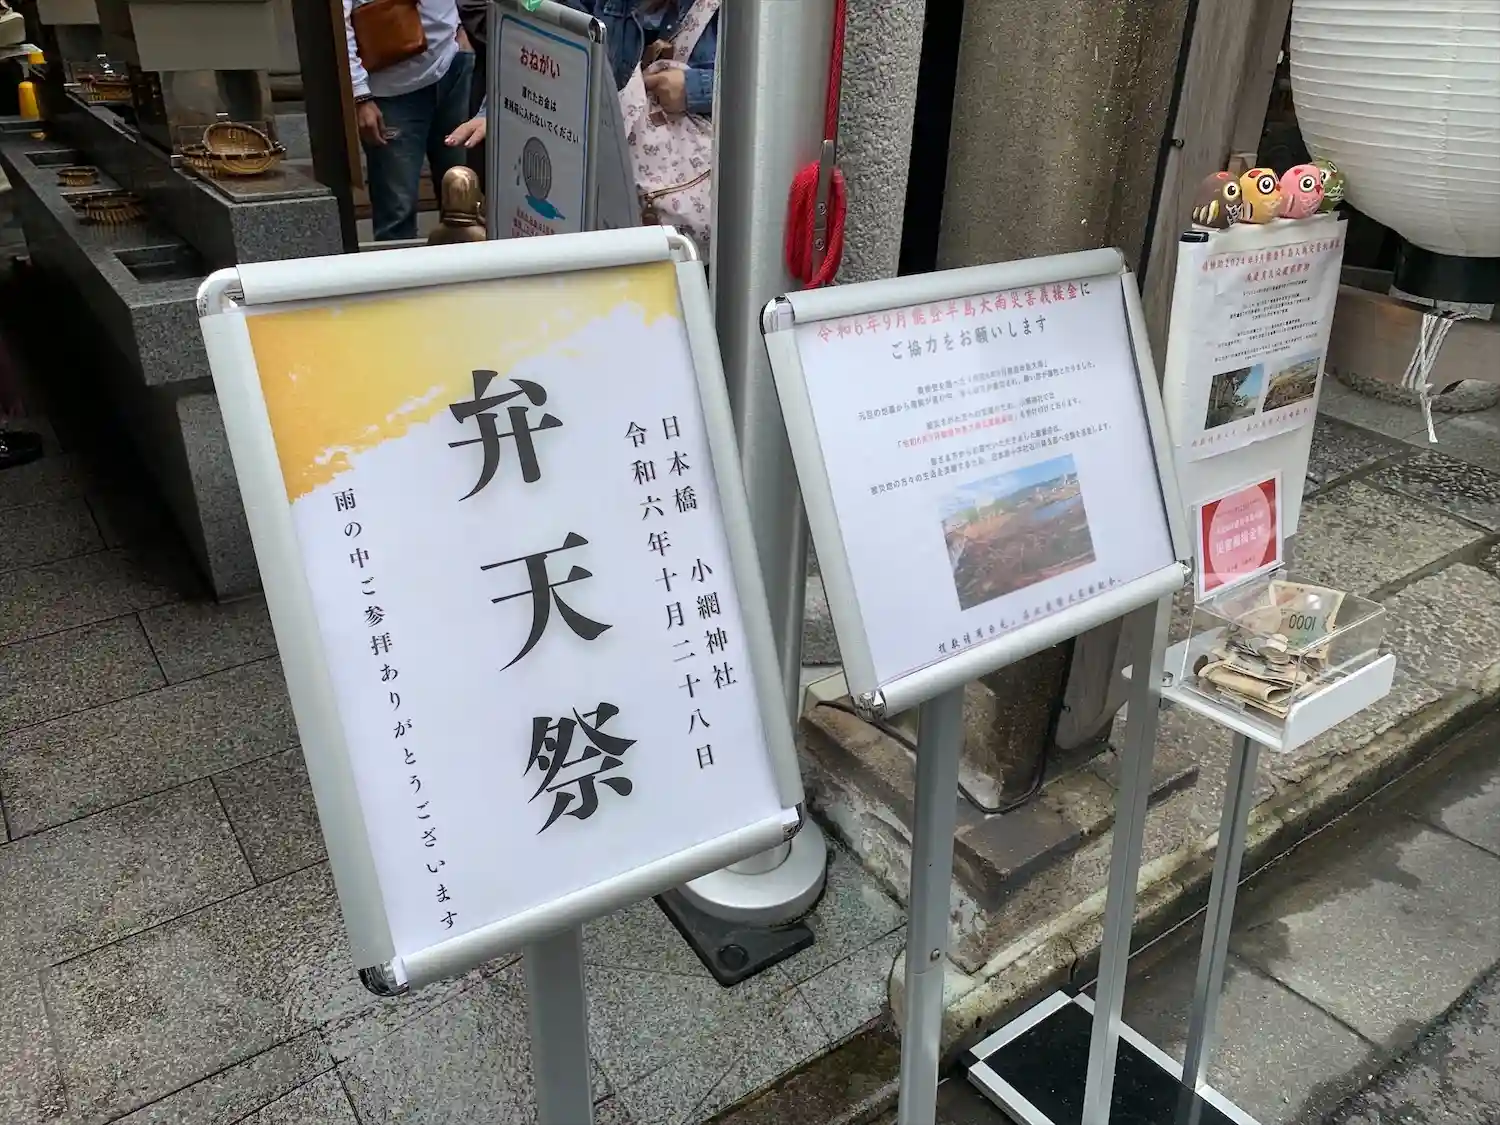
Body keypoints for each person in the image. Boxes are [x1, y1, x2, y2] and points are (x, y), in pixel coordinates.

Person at [445, 0, 718, 152]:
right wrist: (507, 105)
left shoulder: (736, 14)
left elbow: (747, 97)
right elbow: (545, 43)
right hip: (600, 178)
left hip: (697, 204)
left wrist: (697, 89)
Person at [343, 0, 474, 241]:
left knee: (463, 198)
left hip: (453, 62)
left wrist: (465, 28)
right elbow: (339, 24)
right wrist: (359, 94)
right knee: (397, 211)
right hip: (391, 88)